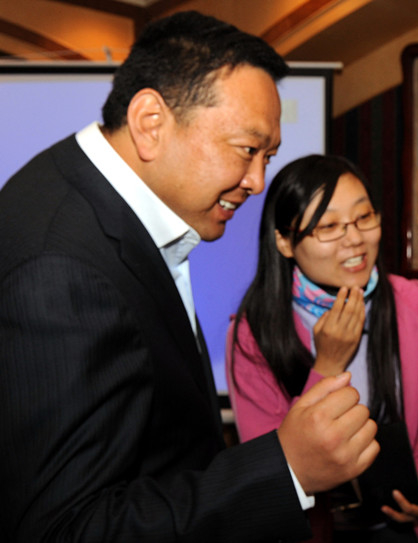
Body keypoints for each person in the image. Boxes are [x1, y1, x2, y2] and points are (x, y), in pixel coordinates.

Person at [0, 12, 379, 543]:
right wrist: (287, 468)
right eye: (247, 150)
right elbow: (66, 528)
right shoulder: (61, 269)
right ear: (151, 122)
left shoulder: (90, 200)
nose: (257, 182)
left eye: (268, 157)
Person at [226, 154, 418, 543]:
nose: (354, 239)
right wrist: (328, 364)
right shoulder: (253, 334)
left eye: (364, 217)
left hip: (404, 529)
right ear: (284, 241)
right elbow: (273, 467)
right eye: (329, 226)